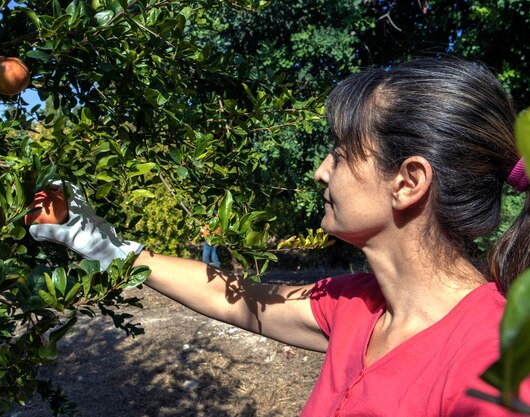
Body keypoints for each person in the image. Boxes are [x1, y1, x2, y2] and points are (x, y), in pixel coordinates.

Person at [29, 57, 530, 416]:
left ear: (408, 182)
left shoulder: (496, 366)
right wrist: (107, 247)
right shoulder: (358, 305)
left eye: (339, 153)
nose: (320, 171)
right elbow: (232, 296)